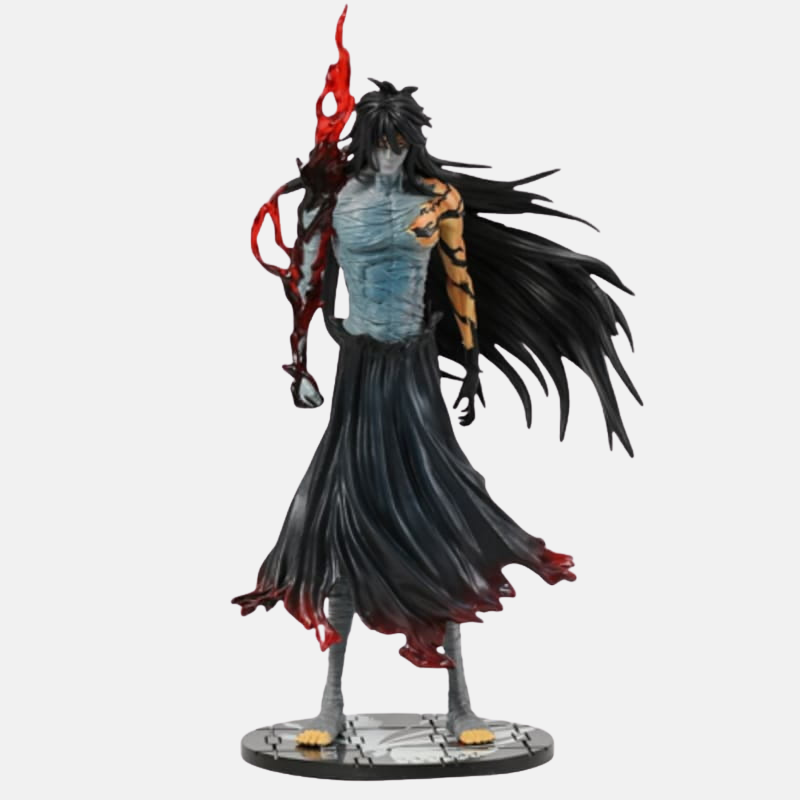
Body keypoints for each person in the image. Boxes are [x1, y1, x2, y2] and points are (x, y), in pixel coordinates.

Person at [233, 78, 640, 747]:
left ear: (413, 142)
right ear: (366, 143)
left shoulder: (437, 199)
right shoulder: (337, 199)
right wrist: (301, 362)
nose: (391, 154)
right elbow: (307, 283)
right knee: (344, 519)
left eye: (401, 142)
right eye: (381, 142)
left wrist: (471, 364)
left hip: (415, 368)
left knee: (439, 518)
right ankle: (331, 700)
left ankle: (460, 703)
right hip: (360, 371)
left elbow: (458, 278)